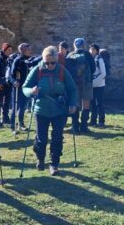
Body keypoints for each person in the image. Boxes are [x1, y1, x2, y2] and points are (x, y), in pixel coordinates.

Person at [23, 46, 78, 176]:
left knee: (57, 137)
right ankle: (40, 159)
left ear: (56, 61)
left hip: (59, 110)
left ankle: (54, 164)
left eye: (52, 62)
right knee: (41, 138)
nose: (50, 65)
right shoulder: (37, 70)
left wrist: (72, 104)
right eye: (47, 62)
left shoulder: (63, 71)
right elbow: (25, 87)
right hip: (41, 110)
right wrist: (31, 91)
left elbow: (72, 89)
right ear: (43, 60)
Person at [66, 38, 96, 133]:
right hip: (86, 82)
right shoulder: (87, 55)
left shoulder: (70, 55)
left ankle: (75, 126)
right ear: (83, 45)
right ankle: (84, 126)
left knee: (75, 104)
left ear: (74, 45)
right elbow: (93, 69)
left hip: (73, 84)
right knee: (85, 105)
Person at [9, 43, 33, 133]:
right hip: (17, 87)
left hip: (25, 87)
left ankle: (21, 124)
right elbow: (11, 75)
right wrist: (14, 81)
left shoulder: (29, 60)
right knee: (15, 107)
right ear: (23, 50)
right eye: (28, 49)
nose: (30, 51)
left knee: (23, 106)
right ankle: (12, 126)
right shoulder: (17, 60)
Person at [89, 44, 107, 128]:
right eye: (90, 49)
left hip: (99, 85)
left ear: (96, 51)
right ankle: (93, 121)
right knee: (93, 103)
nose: (91, 51)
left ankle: (101, 121)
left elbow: (103, 73)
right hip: (93, 85)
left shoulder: (99, 59)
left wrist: (94, 82)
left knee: (100, 103)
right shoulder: (91, 59)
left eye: (92, 49)